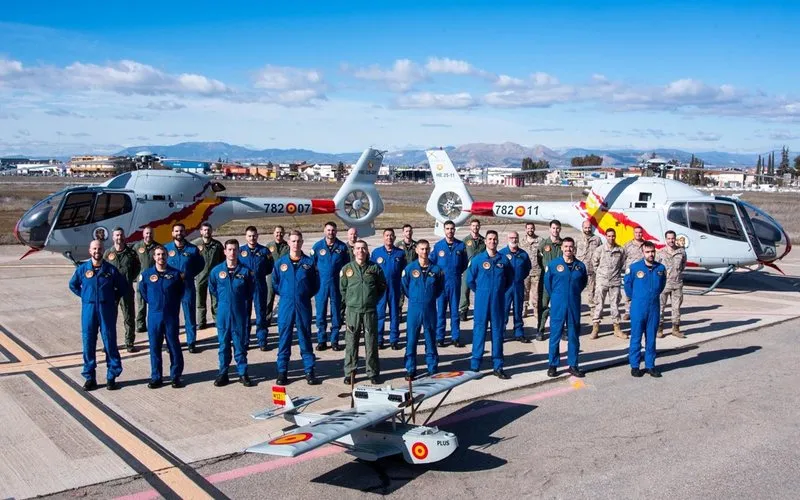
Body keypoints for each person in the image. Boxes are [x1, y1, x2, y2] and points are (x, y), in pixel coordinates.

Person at [68, 240, 128, 391]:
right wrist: (85, 295)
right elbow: (73, 285)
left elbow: (123, 287)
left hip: (106, 309)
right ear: (90, 251)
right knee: (88, 342)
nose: (97, 251)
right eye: (94, 248)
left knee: (110, 341)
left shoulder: (110, 270)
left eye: (99, 248)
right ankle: (90, 377)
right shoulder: (83, 269)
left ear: (103, 251)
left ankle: (111, 376)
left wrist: (112, 297)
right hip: (89, 309)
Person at [272, 230, 320, 385]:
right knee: (284, 339)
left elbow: (315, 285)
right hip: (286, 305)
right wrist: (287, 294)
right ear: (289, 243)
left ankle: (309, 371)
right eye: (293, 241)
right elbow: (275, 283)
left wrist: (303, 295)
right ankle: (282, 372)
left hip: (303, 304)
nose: (296, 244)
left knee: (305, 338)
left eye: (298, 241)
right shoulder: (281, 263)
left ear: (302, 242)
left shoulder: (309, 263)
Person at [466, 230, 514, 379]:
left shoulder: (504, 261)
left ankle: (498, 366)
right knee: (479, 332)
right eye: (490, 239)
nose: (492, 241)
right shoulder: (477, 260)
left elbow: (510, 280)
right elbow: (470, 280)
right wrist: (481, 291)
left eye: (495, 239)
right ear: (485, 241)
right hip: (482, 302)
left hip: (498, 302)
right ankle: (475, 366)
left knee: (498, 333)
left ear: (497, 241)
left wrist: (498, 291)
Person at [209, 239, 255, 387]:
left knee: (240, 344)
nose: (232, 252)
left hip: (239, 311)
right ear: (225, 251)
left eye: (235, 249)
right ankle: (223, 373)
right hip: (223, 312)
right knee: (223, 345)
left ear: (238, 251)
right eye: (229, 249)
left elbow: (250, 291)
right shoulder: (217, 271)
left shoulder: (246, 271)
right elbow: (213, 289)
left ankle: (242, 373)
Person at [340, 240, 386, 384]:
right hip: (353, 312)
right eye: (358, 248)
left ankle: (372, 373)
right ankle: (350, 373)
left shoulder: (375, 268)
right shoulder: (347, 269)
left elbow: (381, 287)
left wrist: (370, 300)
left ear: (367, 251)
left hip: (369, 311)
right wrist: (351, 301)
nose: (360, 251)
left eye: (363, 248)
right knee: (351, 343)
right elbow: (342, 289)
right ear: (353, 251)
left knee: (371, 342)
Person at [138, 245, 185, 389]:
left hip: (170, 316)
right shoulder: (146, 275)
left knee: (174, 346)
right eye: (158, 255)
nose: (161, 257)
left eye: (163, 254)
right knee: (155, 347)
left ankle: (175, 376)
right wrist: (155, 304)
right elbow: (143, 292)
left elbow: (181, 292)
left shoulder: (176, 275)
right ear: (154, 257)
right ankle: (156, 377)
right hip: (154, 316)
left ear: (167, 256)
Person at [544, 237, 588, 378]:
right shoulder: (553, 265)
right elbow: (548, 284)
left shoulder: (580, 266)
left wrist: (572, 294)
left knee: (573, 335)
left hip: (574, 304)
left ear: (574, 248)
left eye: (571, 247)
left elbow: (582, 283)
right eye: (566, 246)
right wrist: (557, 296)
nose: (568, 249)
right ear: (562, 248)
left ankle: (573, 364)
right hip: (558, 304)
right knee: (555, 335)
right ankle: (553, 364)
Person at [402, 239, 444, 380]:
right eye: (421, 249)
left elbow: (439, 288)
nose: (424, 252)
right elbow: (405, 287)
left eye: (426, 249)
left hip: (430, 308)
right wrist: (416, 297)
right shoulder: (410, 269)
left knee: (430, 339)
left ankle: (432, 367)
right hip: (414, 308)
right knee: (411, 340)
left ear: (430, 250)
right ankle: (410, 369)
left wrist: (428, 298)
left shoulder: (436, 270)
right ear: (416, 250)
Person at [625, 241, 667, 378]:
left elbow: (662, 285)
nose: (651, 254)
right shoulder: (634, 268)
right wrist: (637, 297)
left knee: (651, 338)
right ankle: (635, 366)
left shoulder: (660, 268)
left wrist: (652, 295)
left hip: (653, 307)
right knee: (636, 337)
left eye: (652, 251)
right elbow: (628, 285)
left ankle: (650, 365)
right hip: (638, 307)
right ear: (643, 253)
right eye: (648, 252)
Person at [165, 223, 205, 353]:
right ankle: (172, 341)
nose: (179, 233)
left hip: (187, 286)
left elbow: (200, 265)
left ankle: (191, 341)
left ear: (185, 232)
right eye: (176, 231)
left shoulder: (192, 249)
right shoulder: (167, 249)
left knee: (189, 314)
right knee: (171, 316)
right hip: (171, 288)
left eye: (181, 231)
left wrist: (189, 274)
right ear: (172, 233)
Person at [312, 221, 350, 351]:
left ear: (336, 231)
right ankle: (321, 340)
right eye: (328, 230)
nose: (330, 232)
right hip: (321, 286)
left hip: (336, 286)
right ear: (324, 231)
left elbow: (347, 267)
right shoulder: (317, 247)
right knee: (320, 313)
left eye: (333, 230)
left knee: (336, 314)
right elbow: (312, 266)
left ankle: (334, 340)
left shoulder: (342, 248)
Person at [430, 220, 468, 348]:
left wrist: (455, 273)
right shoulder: (438, 246)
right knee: (440, 312)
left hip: (455, 282)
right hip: (441, 285)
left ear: (454, 230)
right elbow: (432, 264)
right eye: (447, 228)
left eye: (452, 228)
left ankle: (455, 337)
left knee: (454, 312)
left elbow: (464, 264)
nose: (450, 231)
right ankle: (440, 337)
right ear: (444, 230)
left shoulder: (461, 246)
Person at [104, 227, 141, 352]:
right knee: (109, 318)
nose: (119, 238)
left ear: (124, 236)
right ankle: (109, 344)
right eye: (117, 235)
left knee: (129, 317)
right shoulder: (108, 253)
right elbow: (102, 268)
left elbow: (137, 267)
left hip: (126, 289)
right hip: (111, 291)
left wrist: (129, 278)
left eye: (121, 235)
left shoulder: (131, 253)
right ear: (113, 237)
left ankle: (129, 342)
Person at [238, 226, 274, 350]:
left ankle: (262, 340)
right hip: (245, 287)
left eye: (254, 235)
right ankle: (245, 340)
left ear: (257, 236)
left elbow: (269, 268)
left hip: (259, 286)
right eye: (249, 236)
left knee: (261, 314)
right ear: (245, 237)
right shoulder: (240, 252)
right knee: (244, 315)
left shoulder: (264, 251)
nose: (252, 238)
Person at [372, 228, 407, 350]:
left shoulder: (400, 254)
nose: (389, 238)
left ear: (394, 238)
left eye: (391, 235)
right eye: (387, 235)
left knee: (394, 315)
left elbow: (404, 272)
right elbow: (372, 272)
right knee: (380, 314)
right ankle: (379, 339)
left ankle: (394, 340)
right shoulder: (376, 253)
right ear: (383, 237)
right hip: (380, 290)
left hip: (395, 288)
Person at [590, 228, 627, 340]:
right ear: (605, 236)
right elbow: (594, 263)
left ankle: (617, 328)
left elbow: (622, 264)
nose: (611, 238)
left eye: (613, 236)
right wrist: (601, 274)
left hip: (615, 281)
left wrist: (614, 274)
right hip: (602, 281)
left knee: (615, 305)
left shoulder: (620, 250)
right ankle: (595, 328)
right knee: (599, 305)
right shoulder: (600, 249)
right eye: (609, 236)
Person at [499, 231, 532, 343]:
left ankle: (519, 333)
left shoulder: (523, 254)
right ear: (508, 238)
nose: (513, 240)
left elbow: (527, 269)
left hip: (518, 285)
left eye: (515, 238)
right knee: (504, 310)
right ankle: (501, 333)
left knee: (518, 310)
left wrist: (519, 278)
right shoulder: (502, 254)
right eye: (511, 237)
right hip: (506, 287)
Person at [192, 222, 224, 330]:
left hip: (214, 278)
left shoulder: (217, 245)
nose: (207, 232)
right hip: (200, 276)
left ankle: (217, 320)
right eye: (205, 230)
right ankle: (201, 322)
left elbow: (222, 261)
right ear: (201, 231)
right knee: (200, 301)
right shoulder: (195, 245)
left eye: (209, 230)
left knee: (216, 300)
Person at [657, 230, 687, 339]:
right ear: (666, 239)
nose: (671, 240)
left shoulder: (681, 252)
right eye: (669, 238)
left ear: (675, 239)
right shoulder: (660, 253)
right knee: (660, 307)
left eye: (673, 238)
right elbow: (656, 268)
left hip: (677, 284)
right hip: (664, 285)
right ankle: (659, 329)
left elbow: (683, 266)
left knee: (676, 308)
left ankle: (676, 329)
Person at [537, 220, 564, 338]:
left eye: (557, 228)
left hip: (560, 282)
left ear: (560, 229)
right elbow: (539, 261)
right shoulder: (543, 244)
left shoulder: (564, 244)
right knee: (543, 305)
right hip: (546, 281)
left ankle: (561, 330)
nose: (555, 230)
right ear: (550, 229)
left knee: (560, 306)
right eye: (553, 228)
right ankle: (541, 329)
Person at [132, 227, 157, 334]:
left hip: (154, 280)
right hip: (141, 280)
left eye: (150, 233)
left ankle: (153, 324)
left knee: (154, 303)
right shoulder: (137, 247)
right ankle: (140, 324)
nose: (148, 235)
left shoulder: (158, 247)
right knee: (141, 304)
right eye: (147, 233)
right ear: (143, 234)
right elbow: (131, 262)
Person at [459, 219, 485, 321]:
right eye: (473, 226)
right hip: (467, 269)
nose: (475, 227)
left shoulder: (483, 241)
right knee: (464, 290)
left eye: (477, 226)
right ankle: (463, 310)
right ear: (470, 227)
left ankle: (480, 310)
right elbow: (460, 255)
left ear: (479, 227)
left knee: (479, 290)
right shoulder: (465, 241)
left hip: (480, 270)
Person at [265, 225, 289, 332]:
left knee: (284, 298)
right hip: (271, 274)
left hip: (283, 276)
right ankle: (267, 318)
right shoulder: (268, 246)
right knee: (269, 297)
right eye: (277, 232)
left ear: (283, 234)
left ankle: (285, 318)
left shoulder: (287, 247)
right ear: (273, 233)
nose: (279, 234)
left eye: (281, 232)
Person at [577, 220, 602, 314]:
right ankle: (576, 308)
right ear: (582, 228)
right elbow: (573, 252)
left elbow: (600, 253)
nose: (587, 230)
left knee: (592, 291)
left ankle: (592, 310)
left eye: (589, 228)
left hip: (592, 270)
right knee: (577, 290)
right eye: (585, 228)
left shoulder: (597, 239)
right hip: (579, 270)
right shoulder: (577, 239)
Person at [622, 226, 646, 320]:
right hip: (630, 273)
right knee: (628, 293)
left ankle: (640, 311)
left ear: (642, 233)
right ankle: (627, 311)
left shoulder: (646, 245)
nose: (638, 234)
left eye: (640, 232)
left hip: (642, 274)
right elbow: (622, 258)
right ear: (633, 233)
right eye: (636, 232)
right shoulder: (627, 245)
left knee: (641, 293)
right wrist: (627, 269)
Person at [521, 222, 542, 320]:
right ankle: (524, 309)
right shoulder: (521, 241)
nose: (530, 230)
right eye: (528, 228)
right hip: (525, 272)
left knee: (536, 293)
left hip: (536, 271)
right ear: (525, 229)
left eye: (532, 228)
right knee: (524, 291)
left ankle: (536, 310)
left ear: (534, 229)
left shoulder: (540, 241)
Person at [396, 224, 417, 314]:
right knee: (400, 293)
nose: (408, 233)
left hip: (413, 273)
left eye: (410, 231)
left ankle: (413, 310)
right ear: (403, 232)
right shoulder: (398, 245)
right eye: (406, 231)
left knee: (413, 292)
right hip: (402, 273)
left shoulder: (416, 245)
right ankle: (399, 310)